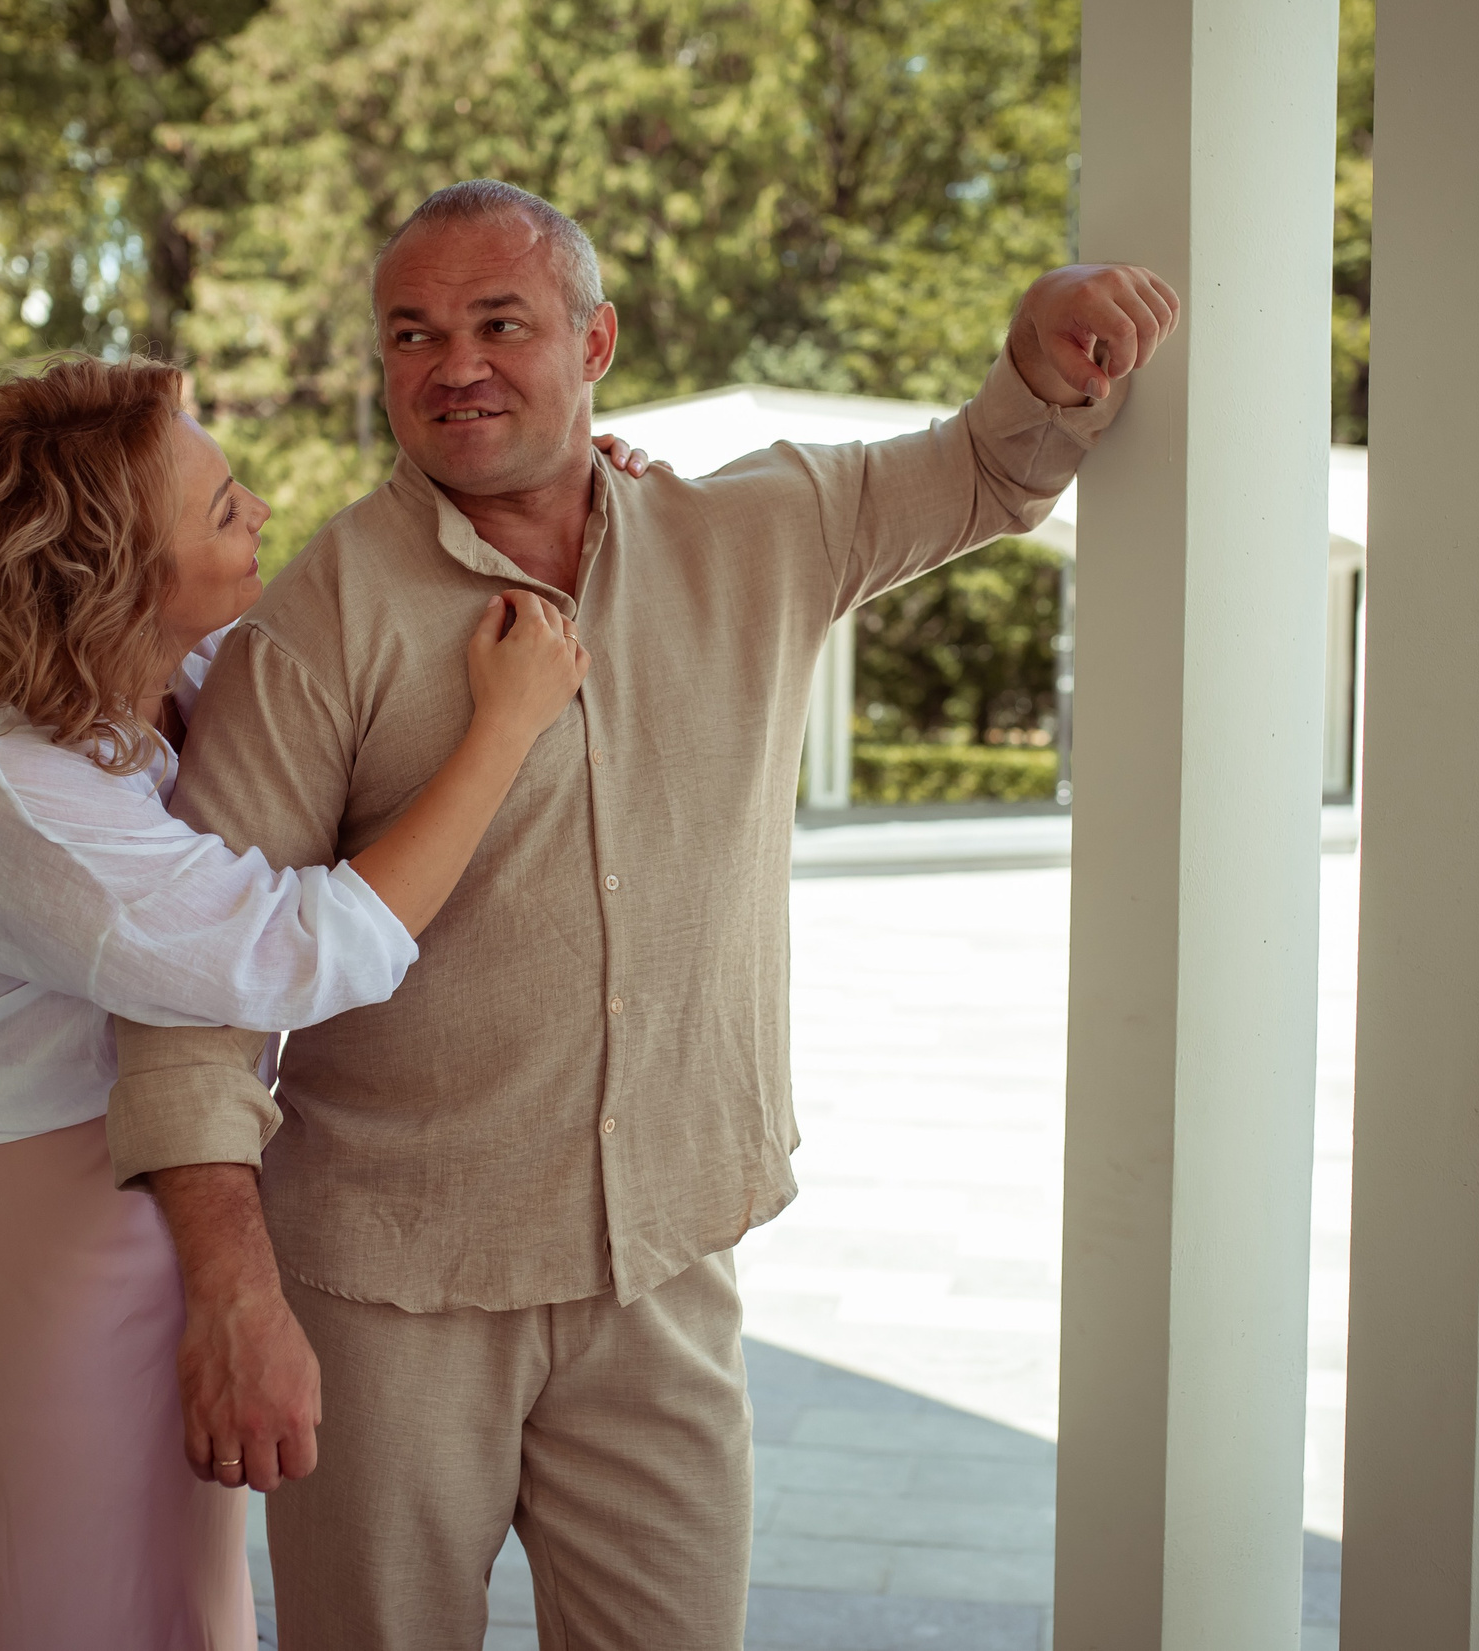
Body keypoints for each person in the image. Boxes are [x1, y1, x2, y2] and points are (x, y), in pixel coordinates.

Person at [107, 181, 1180, 1649]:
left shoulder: (759, 534)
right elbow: (191, 1007)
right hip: (388, 1290)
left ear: (596, 341)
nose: (453, 366)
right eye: (413, 334)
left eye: (501, 324)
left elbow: (983, 470)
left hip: (663, 1275)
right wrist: (236, 1300)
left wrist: (1045, 353)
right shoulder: (314, 628)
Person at [0, 353, 635, 1648]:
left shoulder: (177, 678)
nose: (263, 513)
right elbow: (299, 952)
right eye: (225, 509)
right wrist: (504, 731)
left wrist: (559, 487)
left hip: (174, 1230)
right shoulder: (23, 793)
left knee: (188, 1618)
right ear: (119, 574)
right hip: (41, 1251)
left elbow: (365, 608)